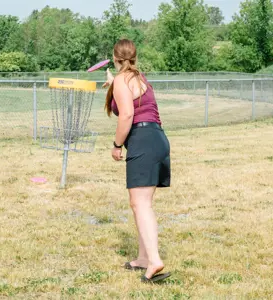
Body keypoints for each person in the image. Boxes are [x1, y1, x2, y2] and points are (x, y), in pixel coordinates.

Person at [103, 39, 171, 283]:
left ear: (115, 57)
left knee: (140, 204)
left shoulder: (123, 80)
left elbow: (128, 115)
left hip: (142, 140)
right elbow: (133, 98)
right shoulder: (138, 78)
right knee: (142, 203)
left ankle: (154, 261)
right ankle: (143, 257)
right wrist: (113, 83)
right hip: (157, 139)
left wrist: (116, 145)